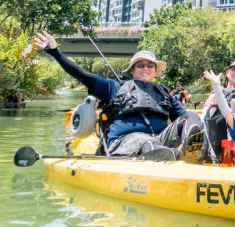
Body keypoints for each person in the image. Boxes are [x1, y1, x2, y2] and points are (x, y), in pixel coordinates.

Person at [33, 31, 201, 158]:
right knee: (145, 140)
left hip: (159, 140)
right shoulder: (113, 86)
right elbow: (82, 75)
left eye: (150, 65)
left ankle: (188, 150)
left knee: (191, 117)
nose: (145, 68)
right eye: (140, 65)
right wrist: (55, 52)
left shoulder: (163, 92)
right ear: (132, 70)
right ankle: (170, 155)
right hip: (123, 142)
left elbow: (183, 116)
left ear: (155, 70)